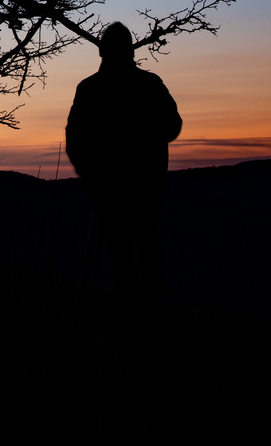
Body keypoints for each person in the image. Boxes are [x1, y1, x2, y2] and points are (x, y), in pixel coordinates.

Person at [64, 21, 182, 303]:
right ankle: (150, 314)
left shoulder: (90, 89)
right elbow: (172, 125)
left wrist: (89, 176)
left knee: (122, 252)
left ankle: (134, 314)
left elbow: (74, 139)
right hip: (143, 184)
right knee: (146, 247)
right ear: (129, 51)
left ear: (103, 52)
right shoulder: (150, 84)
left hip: (110, 187)